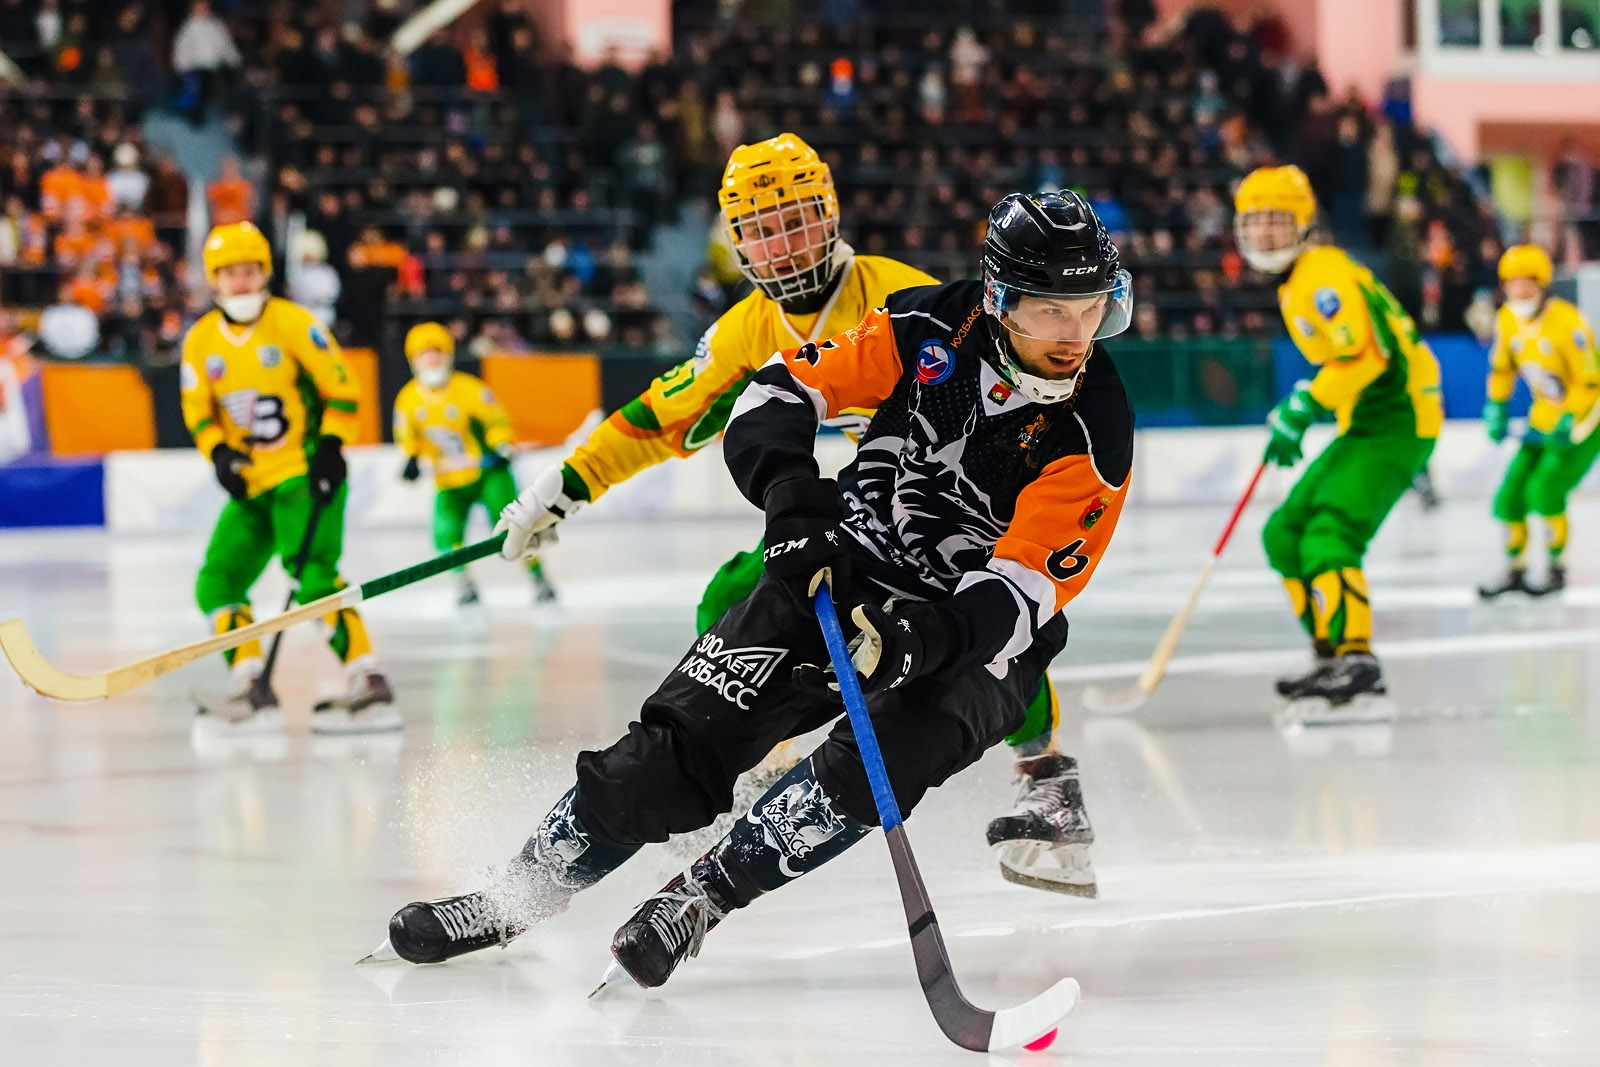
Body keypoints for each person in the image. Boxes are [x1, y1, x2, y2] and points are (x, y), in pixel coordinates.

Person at [369, 191, 1136, 982]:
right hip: (848, 559)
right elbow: (777, 391)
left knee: (870, 768)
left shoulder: (1096, 424)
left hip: (973, 637)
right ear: (999, 298)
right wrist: (794, 506)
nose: (1075, 336)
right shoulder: (928, 322)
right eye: (1051, 311)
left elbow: (1018, 596)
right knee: (672, 747)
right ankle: (516, 893)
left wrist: (918, 642)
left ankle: (703, 895)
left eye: (1090, 309)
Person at [495, 133, 1098, 894]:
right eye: (761, 228)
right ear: (736, 243)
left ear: (831, 214)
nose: (783, 245)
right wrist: (566, 485)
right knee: (729, 600)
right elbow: (663, 417)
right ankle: (753, 758)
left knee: (984, 631)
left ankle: (1046, 770)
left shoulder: (897, 293)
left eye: (797, 220)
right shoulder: (745, 331)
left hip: (951, 517)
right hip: (841, 514)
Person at [1234, 165, 1443, 713]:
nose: (1264, 234)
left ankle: (1357, 659)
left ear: (1304, 224)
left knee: (1329, 534)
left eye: (1277, 221)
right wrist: (1307, 405)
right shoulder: (1299, 282)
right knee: (1284, 533)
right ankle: (1328, 654)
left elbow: (1363, 356)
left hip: (1399, 419)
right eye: (1254, 223)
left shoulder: (1321, 275)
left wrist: (1304, 405)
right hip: (1367, 421)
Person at [180, 221, 398, 736]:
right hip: (254, 484)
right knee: (218, 580)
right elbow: (199, 411)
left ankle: (369, 681)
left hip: (304, 476)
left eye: (249, 270)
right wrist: (219, 456)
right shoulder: (201, 340)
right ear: (214, 279)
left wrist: (330, 446)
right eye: (229, 272)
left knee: (314, 578)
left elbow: (341, 388)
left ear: (265, 273)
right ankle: (253, 682)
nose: (240, 281)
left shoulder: (294, 323)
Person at [393, 322, 557, 607]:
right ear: (413, 359)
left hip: (488, 474)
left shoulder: (470, 390)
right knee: (445, 534)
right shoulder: (407, 400)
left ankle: (539, 577)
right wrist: (410, 458)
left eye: (437, 352)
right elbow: (407, 437)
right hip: (449, 480)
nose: (431, 358)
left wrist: (501, 443)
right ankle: (463, 583)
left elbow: (496, 421)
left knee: (514, 529)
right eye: (424, 353)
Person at [1478, 245, 1600, 598]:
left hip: (1583, 422)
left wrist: (1570, 420)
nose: (1518, 291)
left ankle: (1556, 567)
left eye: (1525, 283)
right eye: (1512, 283)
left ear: (1541, 283)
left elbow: (1590, 382)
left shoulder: (1569, 322)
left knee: (1545, 489)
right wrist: (1496, 406)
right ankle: (1514, 569)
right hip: (1542, 417)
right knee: (1510, 494)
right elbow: (1502, 368)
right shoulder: (1507, 319)